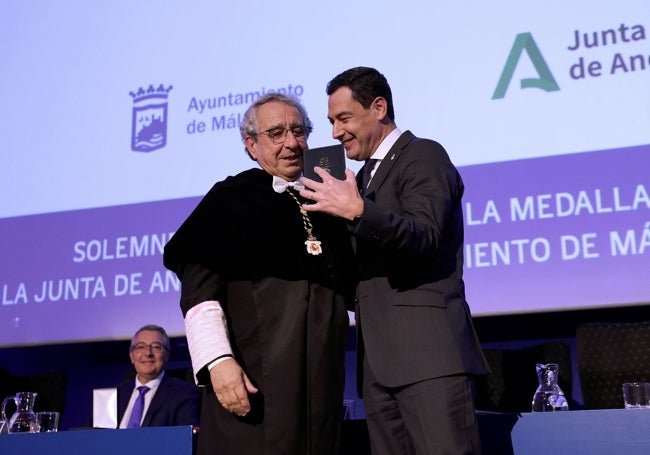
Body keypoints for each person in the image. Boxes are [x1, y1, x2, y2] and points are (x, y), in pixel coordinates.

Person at [299, 67, 490, 455]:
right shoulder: (364, 177)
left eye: (344, 118)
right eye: (331, 122)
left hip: (428, 358)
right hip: (378, 365)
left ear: (379, 107)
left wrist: (356, 211)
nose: (335, 132)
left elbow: (424, 236)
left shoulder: (423, 155)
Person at [163, 93, 357, 455]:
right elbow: (199, 293)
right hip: (255, 389)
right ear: (251, 145)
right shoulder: (230, 199)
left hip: (320, 395)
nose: (291, 143)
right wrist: (218, 363)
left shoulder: (330, 201)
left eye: (298, 131)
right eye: (277, 133)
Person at [117, 324, 200, 428]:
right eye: (141, 347)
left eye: (156, 347)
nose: (148, 353)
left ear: (167, 355)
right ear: (131, 356)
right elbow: (94, 437)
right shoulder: (114, 396)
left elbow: (184, 439)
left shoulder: (184, 394)